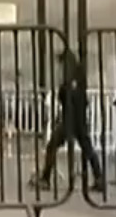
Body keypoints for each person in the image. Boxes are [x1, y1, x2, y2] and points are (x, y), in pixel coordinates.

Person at [33, 49, 106, 192]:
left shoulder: (70, 78)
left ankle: (45, 179)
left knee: (53, 145)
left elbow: (64, 97)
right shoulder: (79, 77)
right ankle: (99, 178)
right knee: (87, 149)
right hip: (79, 119)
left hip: (70, 119)